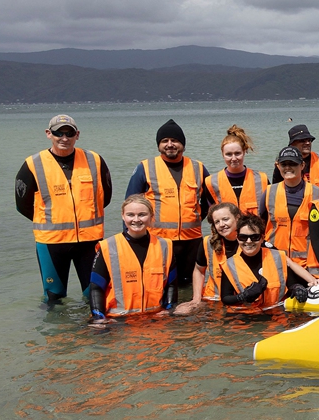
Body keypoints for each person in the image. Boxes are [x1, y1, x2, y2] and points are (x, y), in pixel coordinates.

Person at [16, 114, 113, 305]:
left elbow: (105, 197)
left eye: (69, 133)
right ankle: (58, 333)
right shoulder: (32, 165)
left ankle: (92, 333)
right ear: (48, 134)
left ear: (77, 135)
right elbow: (23, 205)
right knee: (54, 296)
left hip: (89, 241)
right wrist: (51, 221)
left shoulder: (94, 160)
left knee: (94, 293)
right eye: (58, 133)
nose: (64, 138)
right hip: (52, 243)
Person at [125, 119, 210, 289]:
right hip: (158, 241)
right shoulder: (145, 167)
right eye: (165, 141)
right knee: (158, 285)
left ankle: (187, 315)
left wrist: (195, 218)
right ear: (158, 145)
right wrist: (129, 238)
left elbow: (210, 202)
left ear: (183, 145)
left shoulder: (198, 168)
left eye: (175, 140)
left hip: (191, 241)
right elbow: (130, 204)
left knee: (189, 285)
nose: (170, 144)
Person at [88, 195, 176, 325]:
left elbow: (172, 284)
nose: (136, 220)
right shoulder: (108, 246)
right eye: (130, 215)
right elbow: (96, 287)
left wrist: (169, 310)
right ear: (123, 216)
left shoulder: (165, 246)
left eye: (142, 215)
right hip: (117, 320)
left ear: (151, 217)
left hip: (154, 318)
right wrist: (99, 318)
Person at [220, 213, 319, 312]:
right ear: (237, 238)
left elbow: (291, 284)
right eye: (243, 237)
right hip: (246, 318)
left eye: (254, 237)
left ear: (262, 238)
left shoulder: (278, 257)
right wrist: (242, 297)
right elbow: (225, 298)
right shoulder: (229, 265)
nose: (249, 241)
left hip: (277, 313)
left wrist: (297, 288)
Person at [259, 146, 319, 271]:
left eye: (292, 163)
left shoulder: (318, 194)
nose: (288, 167)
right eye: (284, 164)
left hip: (306, 265)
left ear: (302, 165)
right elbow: (260, 225)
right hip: (274, 261)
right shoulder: (269, 192)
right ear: (278, 166)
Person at [175, 202, 241, 315]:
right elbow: (199, 270)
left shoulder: (251, 241)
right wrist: (196, 298)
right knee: (181, 311)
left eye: (225, 219)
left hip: (241, 299)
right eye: (217, 222)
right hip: (214, 298)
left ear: (237, 218)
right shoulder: (208, 243)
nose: (221, 224)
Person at [204, 125, 268, 215]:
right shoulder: (211, 182)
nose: (234, 158)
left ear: (244, 152)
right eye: (229, 154)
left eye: (237, 153)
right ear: (223, 154)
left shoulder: (261, 179)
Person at [271, 124, 319, 195]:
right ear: (292, 144)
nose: (307, 143)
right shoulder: (283, 164)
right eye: (302, 140)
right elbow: (276, 191)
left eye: (309, 140)